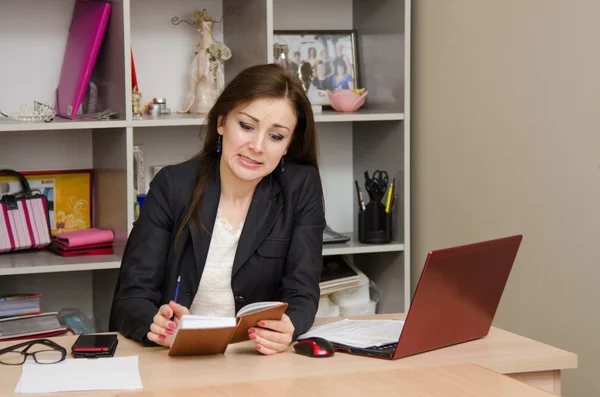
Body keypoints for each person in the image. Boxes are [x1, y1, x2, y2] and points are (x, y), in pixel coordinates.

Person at [109, 63, 326, 356]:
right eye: (247, 126)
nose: (257, 146)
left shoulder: (301, 186)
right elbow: (132, 295)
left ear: (288, 145)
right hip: (174, 358)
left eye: (276, 136)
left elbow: (303, 290)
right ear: (221, 123)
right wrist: (155, 323)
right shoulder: (173, 185)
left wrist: (291, 325)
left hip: (255, 358)